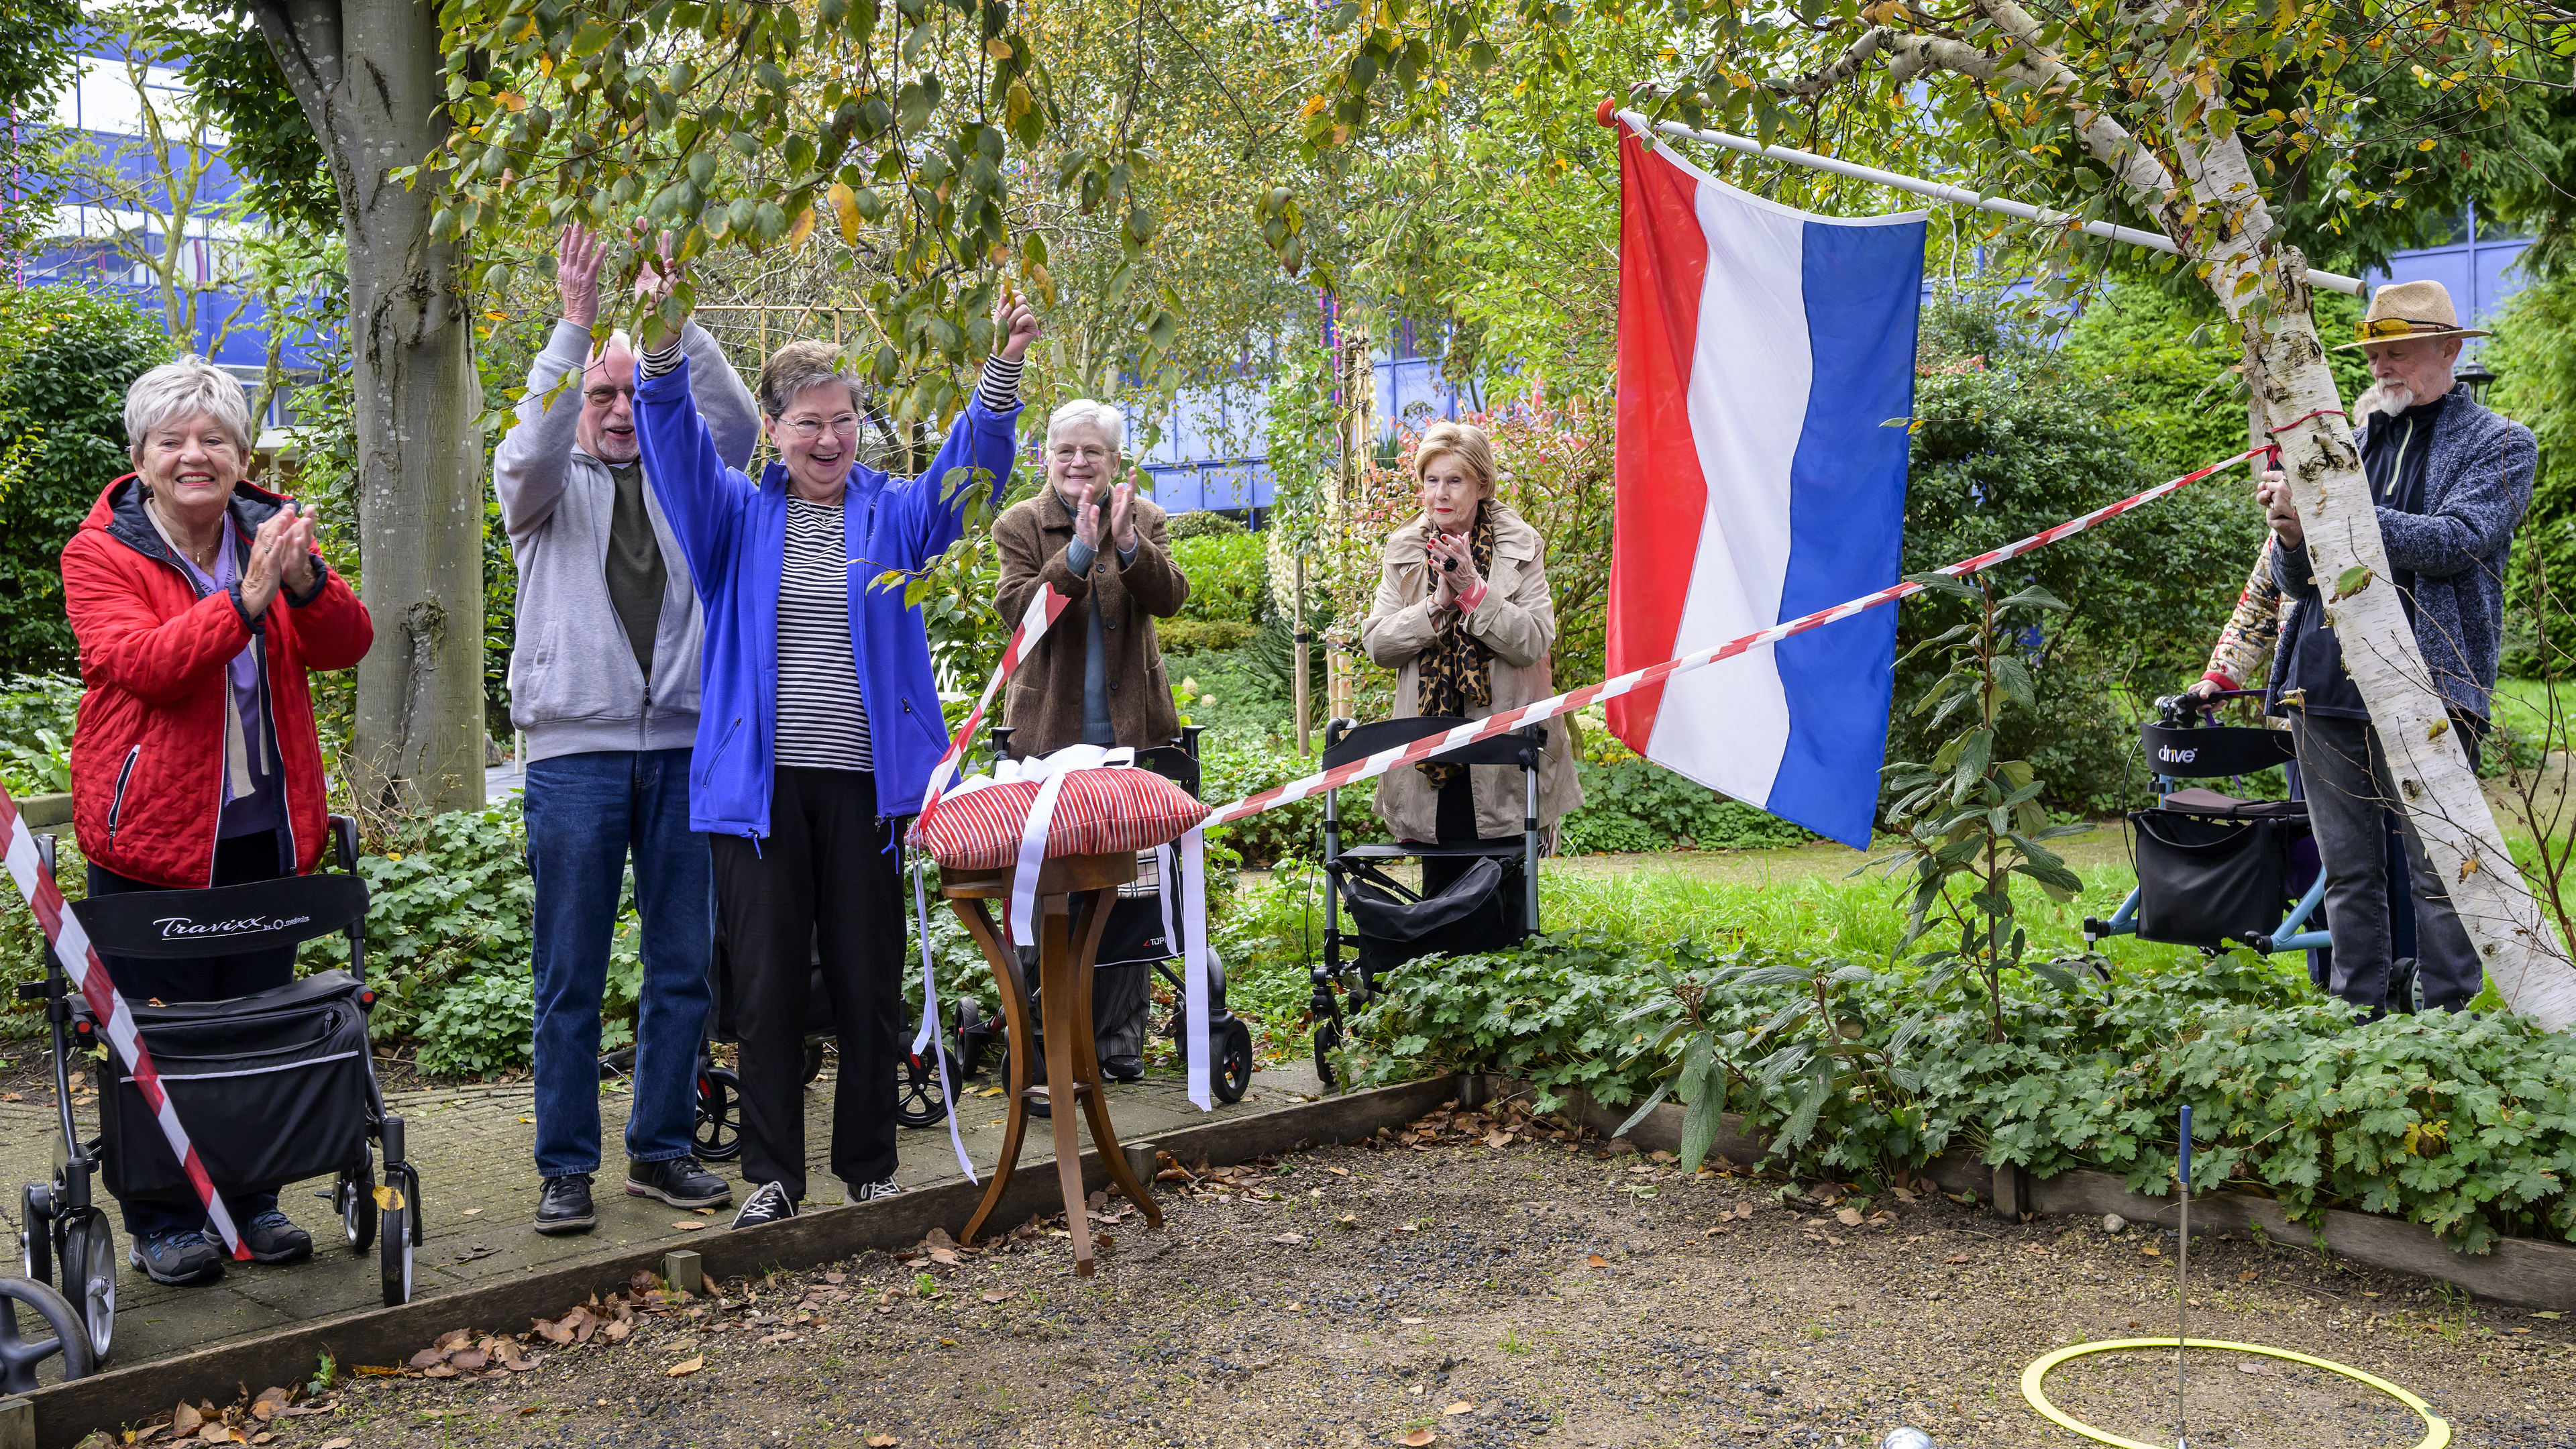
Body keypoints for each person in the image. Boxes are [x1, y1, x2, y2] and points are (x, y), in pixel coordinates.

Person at [635, 279, 1040, 1230]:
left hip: (868, 792)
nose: (830, 440)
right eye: (810, 423)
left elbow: (963, 481)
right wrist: (659, 352)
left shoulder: (892, 515)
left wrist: (1003, 371)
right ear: (772, 428)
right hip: (758, 796)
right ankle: (774, 1177)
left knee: (868, 986)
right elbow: (677, 450)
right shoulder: (732, 518)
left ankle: (869, 1166)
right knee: (767, 994)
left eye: (845, 422)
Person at [60, 356, 373, 1285]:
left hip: (264, 838)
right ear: (141, 456)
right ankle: (162, 1216)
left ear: (241, 455)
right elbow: (147, 664)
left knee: (256, 1030)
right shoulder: (102, 553)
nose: (195, 455)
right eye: (174, 440)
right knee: (159, 1037)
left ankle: (253, 1197)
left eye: (215, 440)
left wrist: (306, 579)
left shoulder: (268, 534)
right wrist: (245, 601)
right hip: (149, 847)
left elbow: (345, 646)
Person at [494, 226, 759, 1236]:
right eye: (596, 397)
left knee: (684, 964)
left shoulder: (697, 482)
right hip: (576, 754)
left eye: (625, 394)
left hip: (686, 750)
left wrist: (668, 323)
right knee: (571, 972)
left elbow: (733, 420)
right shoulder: (542, 493)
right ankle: (565, 1167)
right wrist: (573, 328)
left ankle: (660, 1149)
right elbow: (524, 449)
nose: (615, 412)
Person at [2258, 279, 2534, 1016]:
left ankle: (2447, 1025)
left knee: (2442, 868)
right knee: (2346, 871)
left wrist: (2337, 508)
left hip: (2428, 681)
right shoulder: (2343, 445)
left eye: (2398, 353)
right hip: (2322, 678)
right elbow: (2299, 579)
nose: (2382, 368)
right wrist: (2292, 531)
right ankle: (2360, 1018)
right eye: (2374, 354)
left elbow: (2457, 542)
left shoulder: (2502, 443)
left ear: (2448, 349)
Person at [991, 399, 1190, 1080]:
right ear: (1046, 455)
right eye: (1066, 451)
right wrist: (1076, 551)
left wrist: (1128, 543)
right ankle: (1046, 1049)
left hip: (1131, 741)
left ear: (1113, 461)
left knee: (1126, 893)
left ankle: (1116, 1042)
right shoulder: (1021, 525)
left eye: (1093, 452)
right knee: (1055, 894)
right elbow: (1022, 618)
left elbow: (1170, 599)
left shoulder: (1147, 518)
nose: (1079, 463)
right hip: (1047, 744)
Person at [1358, 421, 1581, 911]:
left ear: (1481, 485)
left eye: (1455, 480)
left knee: (1502, 899)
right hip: (1430, 754)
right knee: (1442, 897)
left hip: (1502, 750)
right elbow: (1377, 644)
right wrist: (1436, 606)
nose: (1441, 494)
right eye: (1432, 481)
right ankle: (1445, 980)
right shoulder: (1404, 550)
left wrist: (1475, 591)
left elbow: (1534, 640)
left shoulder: (1521, 547)